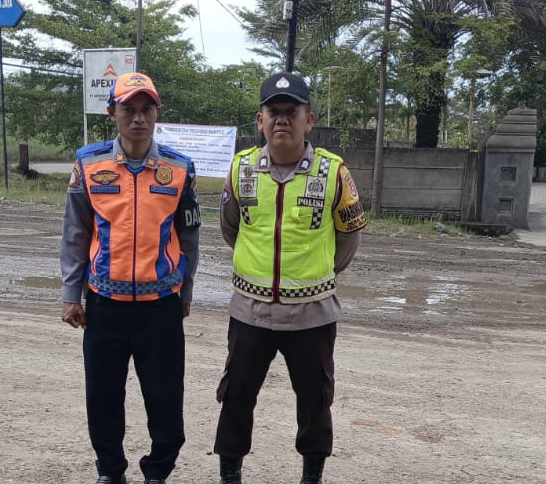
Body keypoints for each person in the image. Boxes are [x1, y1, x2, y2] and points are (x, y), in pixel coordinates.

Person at [213, 72, 368, 484]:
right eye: (274, 111)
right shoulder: (241, 168)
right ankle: (230, 474)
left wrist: (319, 274)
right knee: (236, 396)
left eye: (291, 111)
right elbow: (231, 228)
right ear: (260, 120)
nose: (282, 119)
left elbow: (348, 238)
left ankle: (311, 475)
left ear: (308, 120)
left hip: (312, 316)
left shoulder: (333, 172)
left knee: (315, 400)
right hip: (250, 313)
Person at [60, 72, 201, 484]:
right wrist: (71, 294)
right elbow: (75, 233)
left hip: (161, 307)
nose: (138, 118)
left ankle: (157, 471)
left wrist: (185, 293)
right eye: (129, 109)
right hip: (104, 306)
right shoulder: (88, 164)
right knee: (102, 398)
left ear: (157, 113)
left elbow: (189, 237)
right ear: (112, 113)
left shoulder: (179, 168)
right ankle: (111, 471)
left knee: (166, 401)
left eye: (146, 109)